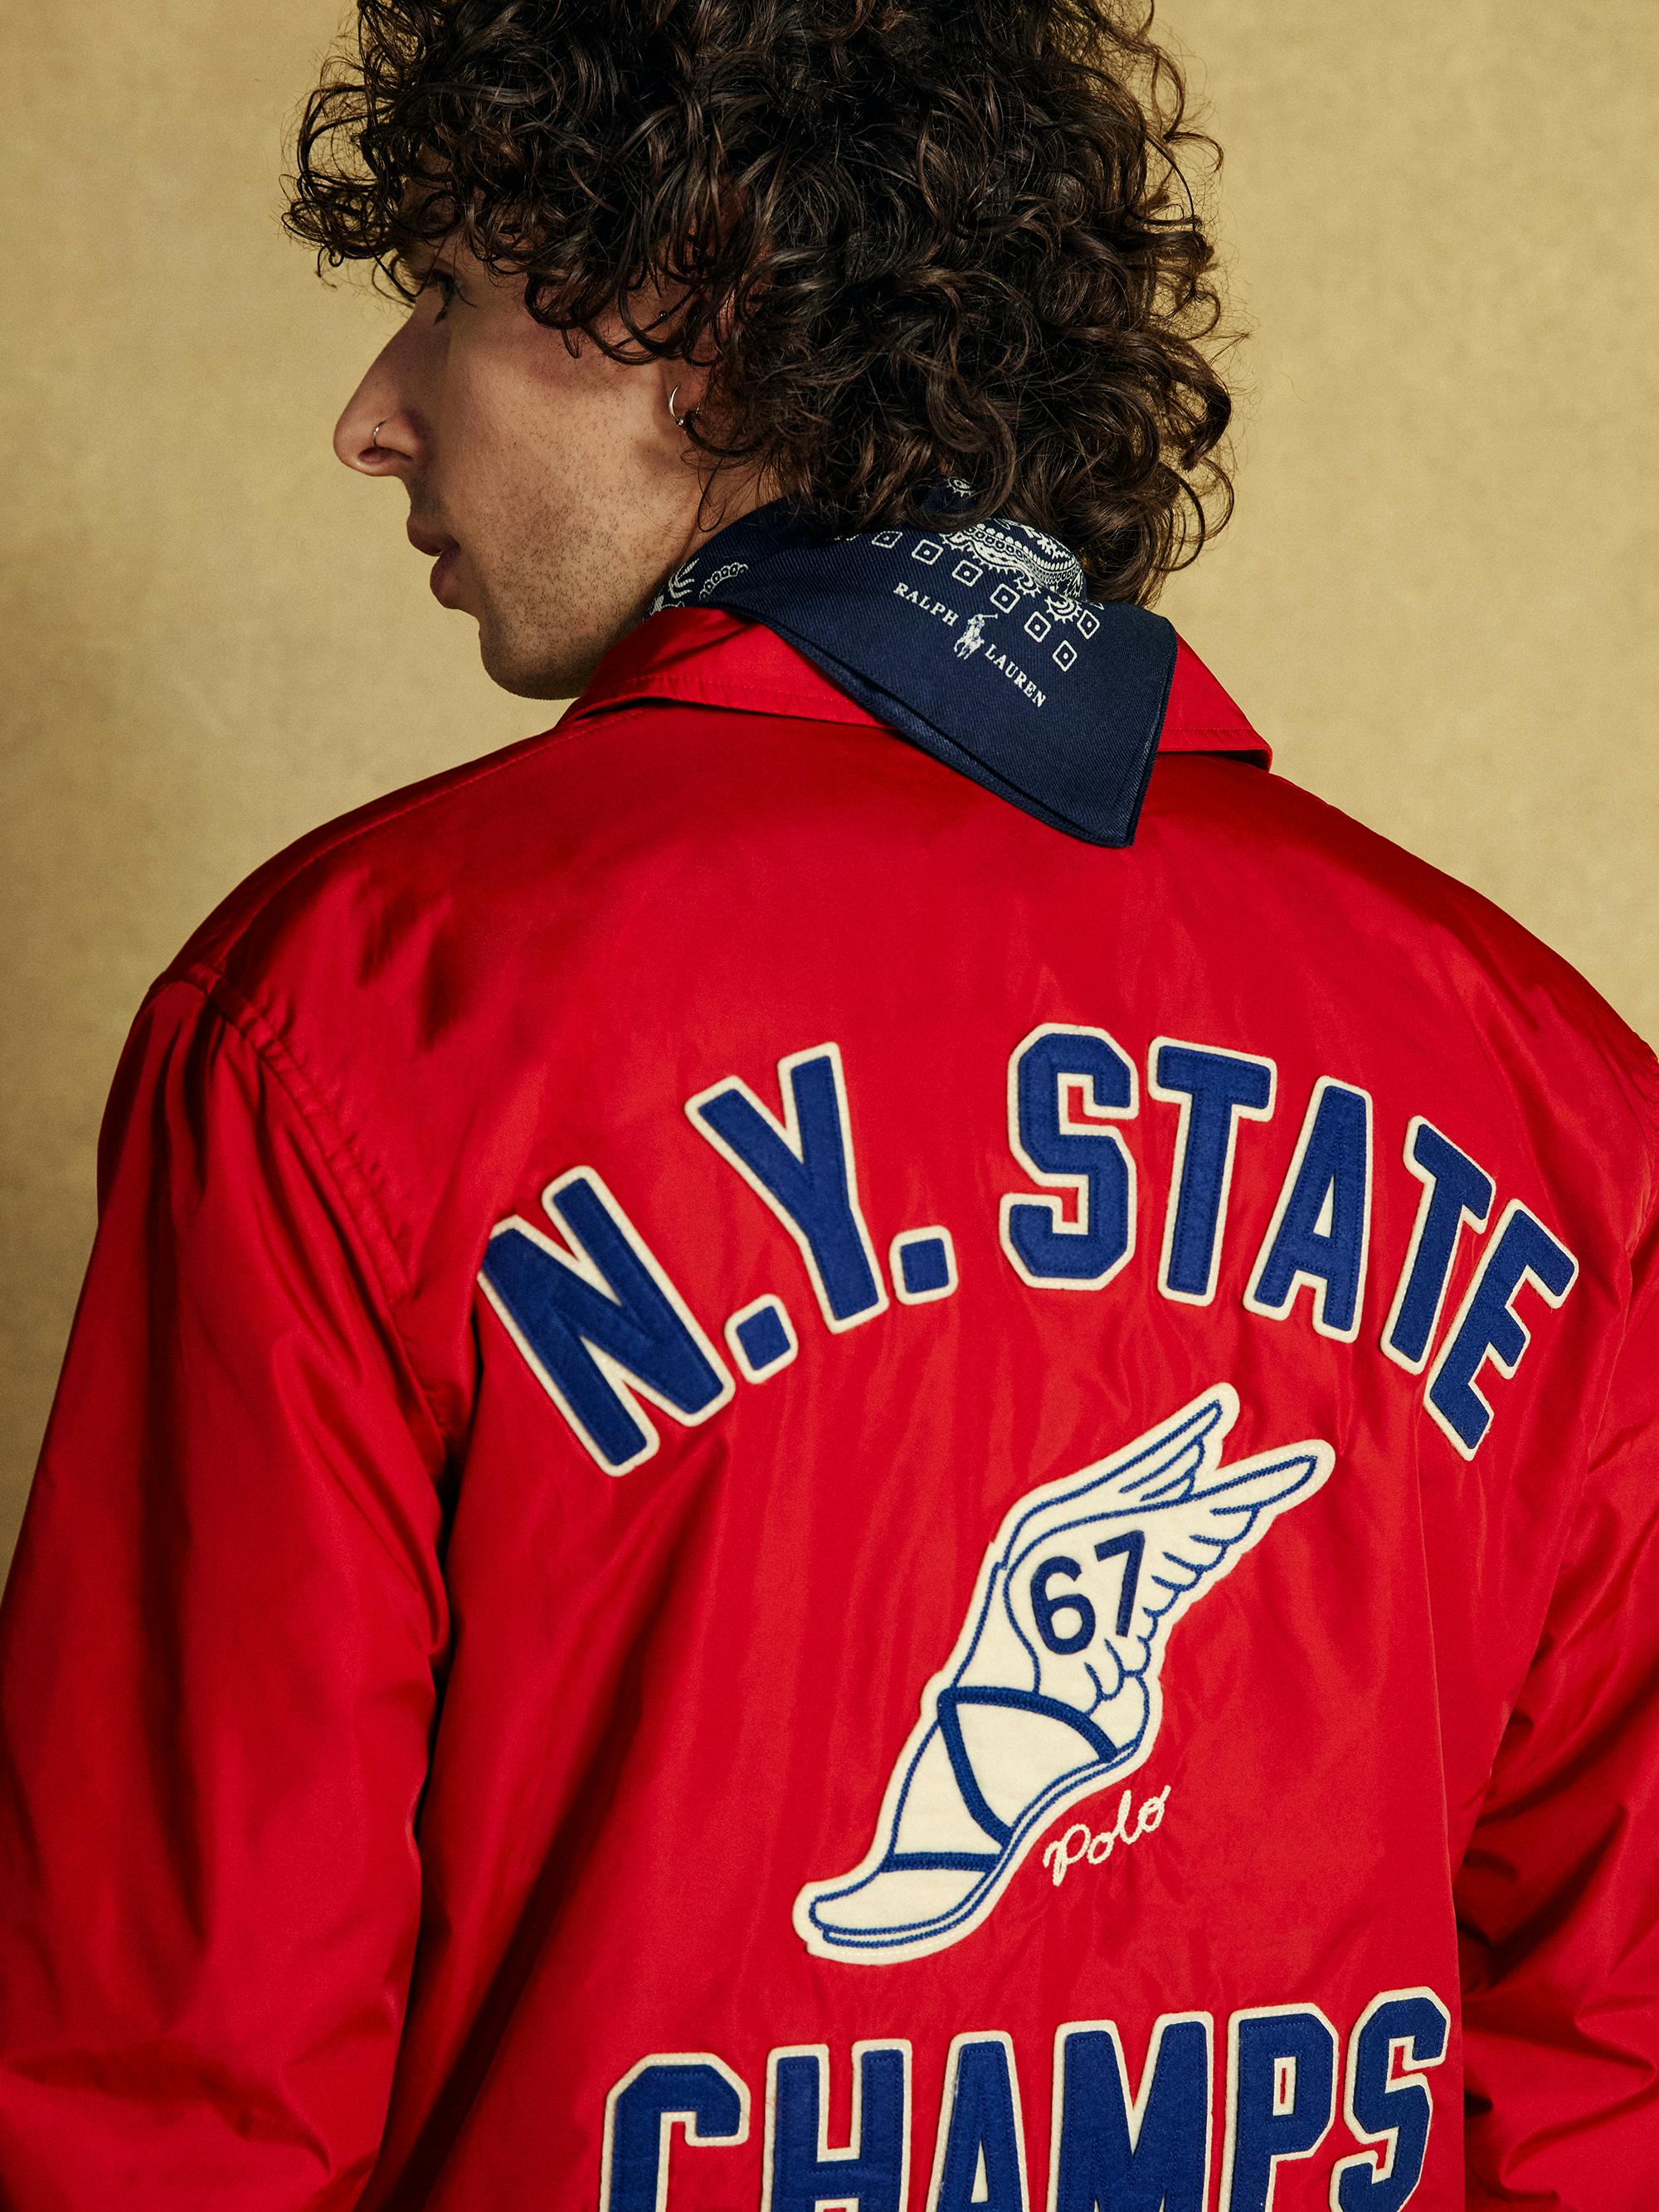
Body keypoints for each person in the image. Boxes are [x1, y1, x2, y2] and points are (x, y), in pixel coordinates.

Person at [0, 1, 1654, 2205]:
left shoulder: (355, 1019)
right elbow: (1609, 2069)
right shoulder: (1554, 1081)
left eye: (449, 305)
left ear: (678, 299)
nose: (374, 418)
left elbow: (167, 2097)